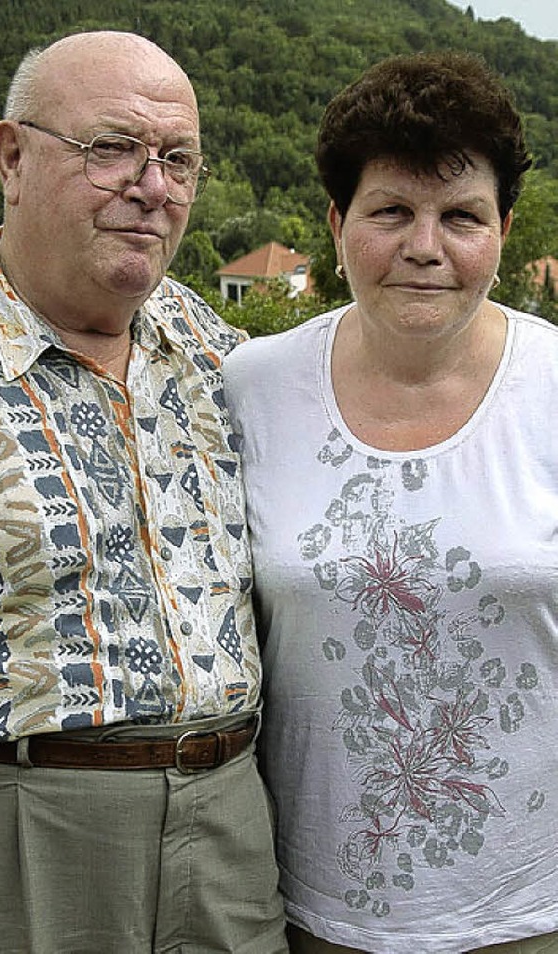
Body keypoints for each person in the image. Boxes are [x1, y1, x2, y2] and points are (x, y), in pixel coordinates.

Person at [0, 30, 287, 954]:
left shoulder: (217, 350)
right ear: (12, 156)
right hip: (4, 840)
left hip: (230, 833)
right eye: (112, 148)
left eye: (178, 160)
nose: (152, 187)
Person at [223, 51, 558, 953]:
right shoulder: (250, 389)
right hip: (309, 914)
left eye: (461, 216)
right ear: (337, 223)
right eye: (390, 212)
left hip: (530, 912)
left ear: (504, 229)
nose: (425, 245)